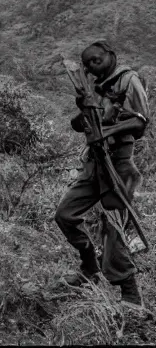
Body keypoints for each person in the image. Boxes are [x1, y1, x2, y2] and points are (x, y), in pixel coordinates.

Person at [54, 41, 148, 307]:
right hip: (94, 163)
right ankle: (89, 267)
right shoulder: (94, 88)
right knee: (65, 214)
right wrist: (83, 112)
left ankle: (131, 296)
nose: (92, 67)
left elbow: (140, 122)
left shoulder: (129, 81)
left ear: (111, 56)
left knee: (114, 228)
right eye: (88, 64)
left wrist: (105, 131)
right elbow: (79, 123)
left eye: (96, 60)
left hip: (118, 165)